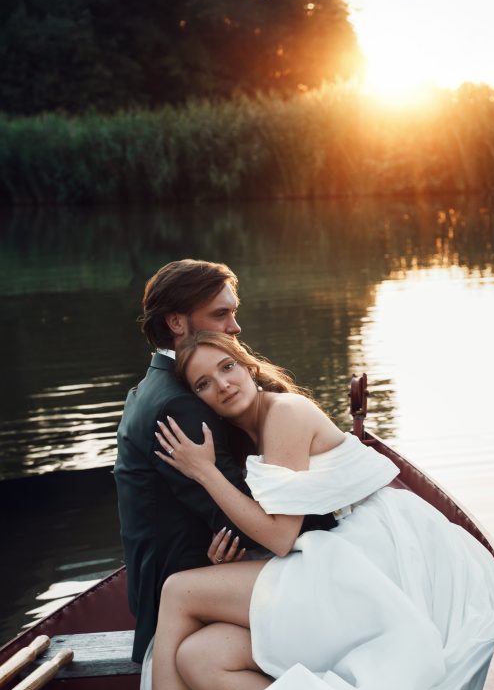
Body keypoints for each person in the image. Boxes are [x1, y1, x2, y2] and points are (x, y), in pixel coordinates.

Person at [46, 331, 494, 690]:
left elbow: (282, 535)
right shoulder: (245, 433)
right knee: (199, 657)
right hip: (335, 558)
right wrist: (234, 551)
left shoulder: (283, 413)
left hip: (374, 560)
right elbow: (278, 524)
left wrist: (204, 471)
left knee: (178, 590)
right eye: (203, 384)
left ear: (249, 366)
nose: (222, 385)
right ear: (197, 400)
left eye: (227, 367)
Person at [114, 259, 336, 663]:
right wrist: (333, 524)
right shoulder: (179, 404)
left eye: (234, 312)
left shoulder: (148, 389)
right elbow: (249, 525)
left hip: (179, 576)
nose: (235, 327)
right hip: (187, 587)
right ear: (176, 322)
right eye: (220, 314)